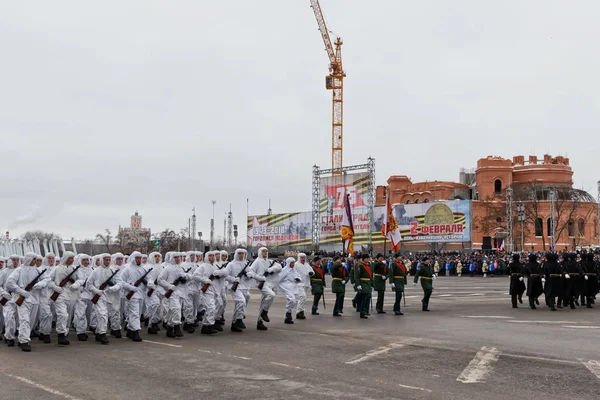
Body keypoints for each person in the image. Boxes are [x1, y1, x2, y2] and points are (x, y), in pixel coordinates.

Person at [5, 252, 47, 352]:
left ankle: (22, 337)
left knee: (31, 321)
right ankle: (24, 341)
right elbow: (9, 283)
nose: (35, 261)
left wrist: (40, 284)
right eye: (33, 259)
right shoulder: (19, 270)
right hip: (23, 299)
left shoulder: (37, 270)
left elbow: (46, 279)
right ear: (29, 259)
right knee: (24, 320)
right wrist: (22, 291)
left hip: (34, 299)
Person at [247, 247, 281, 331]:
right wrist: (259, 278)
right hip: (262, 283)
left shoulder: (269, 261)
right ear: (260, 252)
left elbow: (279, 267)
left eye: (266, 251)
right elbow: (251, 272)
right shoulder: (257, 261)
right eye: (263, 251)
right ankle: (264, 312)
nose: (265, 253)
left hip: (269, 283)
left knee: (263, 302)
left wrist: (271, 269)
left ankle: (260, 322)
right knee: (271, 295)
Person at [118, 251, 149, 342]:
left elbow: (148, 278)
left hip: (141, 294)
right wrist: (130, 287)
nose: (139, 260)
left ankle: (130, 329)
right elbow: (121, 281)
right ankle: (135, 331)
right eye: (137, 258)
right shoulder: (127, 269)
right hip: (131, 295)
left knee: (137, 313)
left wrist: (149, 283)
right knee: (134, 313)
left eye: (140, 258)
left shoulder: (143, 269)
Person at [86, 253, 118, 345]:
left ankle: (98, 332)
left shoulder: (113, 271)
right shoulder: (96, 271)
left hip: (109, 297)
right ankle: (102, 333)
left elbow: (119, 283)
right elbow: (89, 284)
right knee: (102, 314)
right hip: (99, 297)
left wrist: (112, 288)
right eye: (105, 259)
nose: (107, 261)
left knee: (105, 315)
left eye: (109, 259)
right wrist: (97, 291)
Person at [158, 252, 190, 338]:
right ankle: (177, 326)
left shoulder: (181, 268)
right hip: (172, 292)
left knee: (172, 311)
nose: (178, 259)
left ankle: (169, 328)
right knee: (176, 309)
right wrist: (169, 286)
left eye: (179, 257)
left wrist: (185, 277)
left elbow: (186, 279)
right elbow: (160, 280)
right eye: (176, 257)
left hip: (180, 292)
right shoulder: (168, 268)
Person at [224, 249, 250, 332]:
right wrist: (234, 279)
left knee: (241, 304)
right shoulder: (231, 264)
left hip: (244, 287)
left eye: (243, 253)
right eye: (239, 253)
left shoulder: (246, 264)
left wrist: (249, 275)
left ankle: (234, 323)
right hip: (235, 287)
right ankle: (239, 319)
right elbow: (225, 275)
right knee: (241, 301)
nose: (241, 255)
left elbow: (250, 274)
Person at [72, 254, 94, 341]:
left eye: (87, 260)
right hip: (80, 295)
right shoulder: (76, 270)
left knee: (90, 314)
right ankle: (80, 332)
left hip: (91, 295)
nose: (86, 262)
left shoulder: (92, 270)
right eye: (84, 260)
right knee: (80, 314)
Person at [0, 255, 19, 347]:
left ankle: (8, 335)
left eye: (17, 260)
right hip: (7, 298)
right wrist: (4, 293)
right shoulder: (4, 272)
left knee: (16, 319)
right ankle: (10, 338)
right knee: (9, 318)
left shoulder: (20, 271)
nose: (15, 262)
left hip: (18, 299)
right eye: (14, 260)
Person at [144, 252, 164, 335]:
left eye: (158, 256)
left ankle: (154, 323)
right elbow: (146, 278)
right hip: (151, 289)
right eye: (155, 256)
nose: (157, 258)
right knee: (154, 304)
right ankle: (150, 323)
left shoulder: (161, 267)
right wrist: (150, 285)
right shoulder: (147, 267)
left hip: (159, 289)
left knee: (158, 307)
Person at [278, 257, 302, 324]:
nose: (293, 264)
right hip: (286, 287)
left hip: (292, 287)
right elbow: (279, 279)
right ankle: (288, 314)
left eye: (293, 263)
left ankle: (288, 315)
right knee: (292, 299)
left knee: (292, 301)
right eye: (291, 263)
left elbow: (298, 276)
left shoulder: (294, 270)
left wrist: (298, 279)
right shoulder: (284, 270)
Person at [355, 254, 373, 319]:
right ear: (364, 259)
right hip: (363, 282)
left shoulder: (368, 265)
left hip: (368, 283)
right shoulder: (361, 266)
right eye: (367, 258)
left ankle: (364, 311)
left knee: (368, 296)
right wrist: (358, 284)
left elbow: (371, 275)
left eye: (368, 258)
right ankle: (362, 312)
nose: (368, 259)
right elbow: (357, 276)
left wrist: (372, 284)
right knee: (365, 297)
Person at [294, 253, 311, 320]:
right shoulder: (296, 265)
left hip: (306, 283)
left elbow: (311, 270)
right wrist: (295, 278)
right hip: (299, 284)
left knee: (303, 298)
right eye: (301, 257)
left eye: (304, 257)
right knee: (302, 297)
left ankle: (299, 312)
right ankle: (301, 311)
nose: (303, 259)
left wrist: (311, 273)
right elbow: (292, 272)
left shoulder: (307, 264)